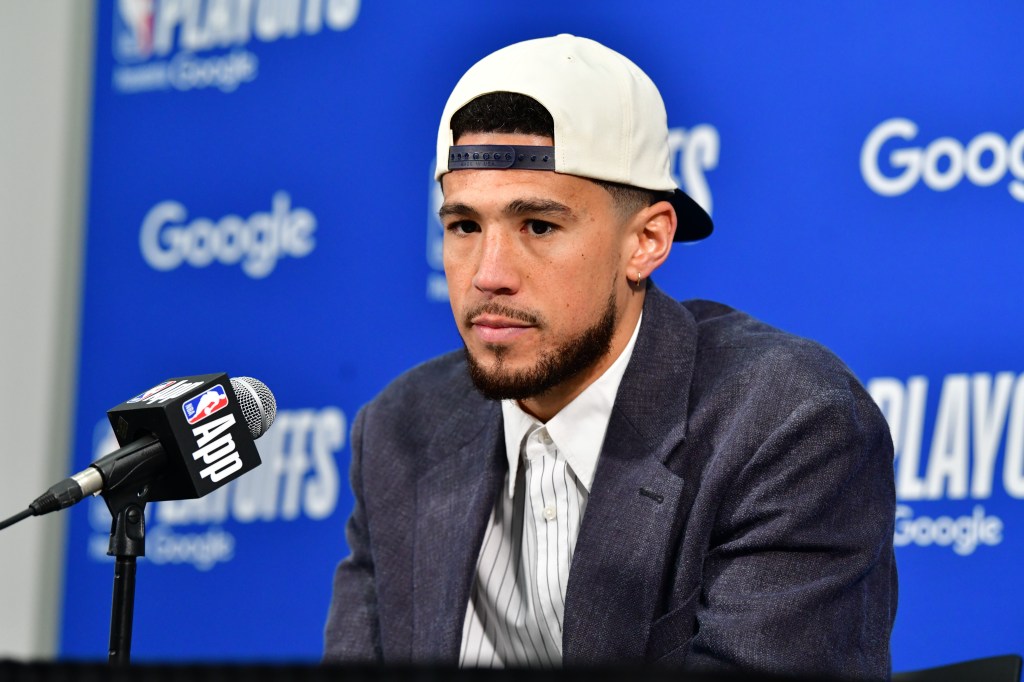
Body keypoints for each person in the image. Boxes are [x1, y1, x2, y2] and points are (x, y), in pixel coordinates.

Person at [324, 34, 896, 678]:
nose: (488, 274)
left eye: (539, 226)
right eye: (464, 226)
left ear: (646, 241)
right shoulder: (402, 430)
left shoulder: (786, 424)